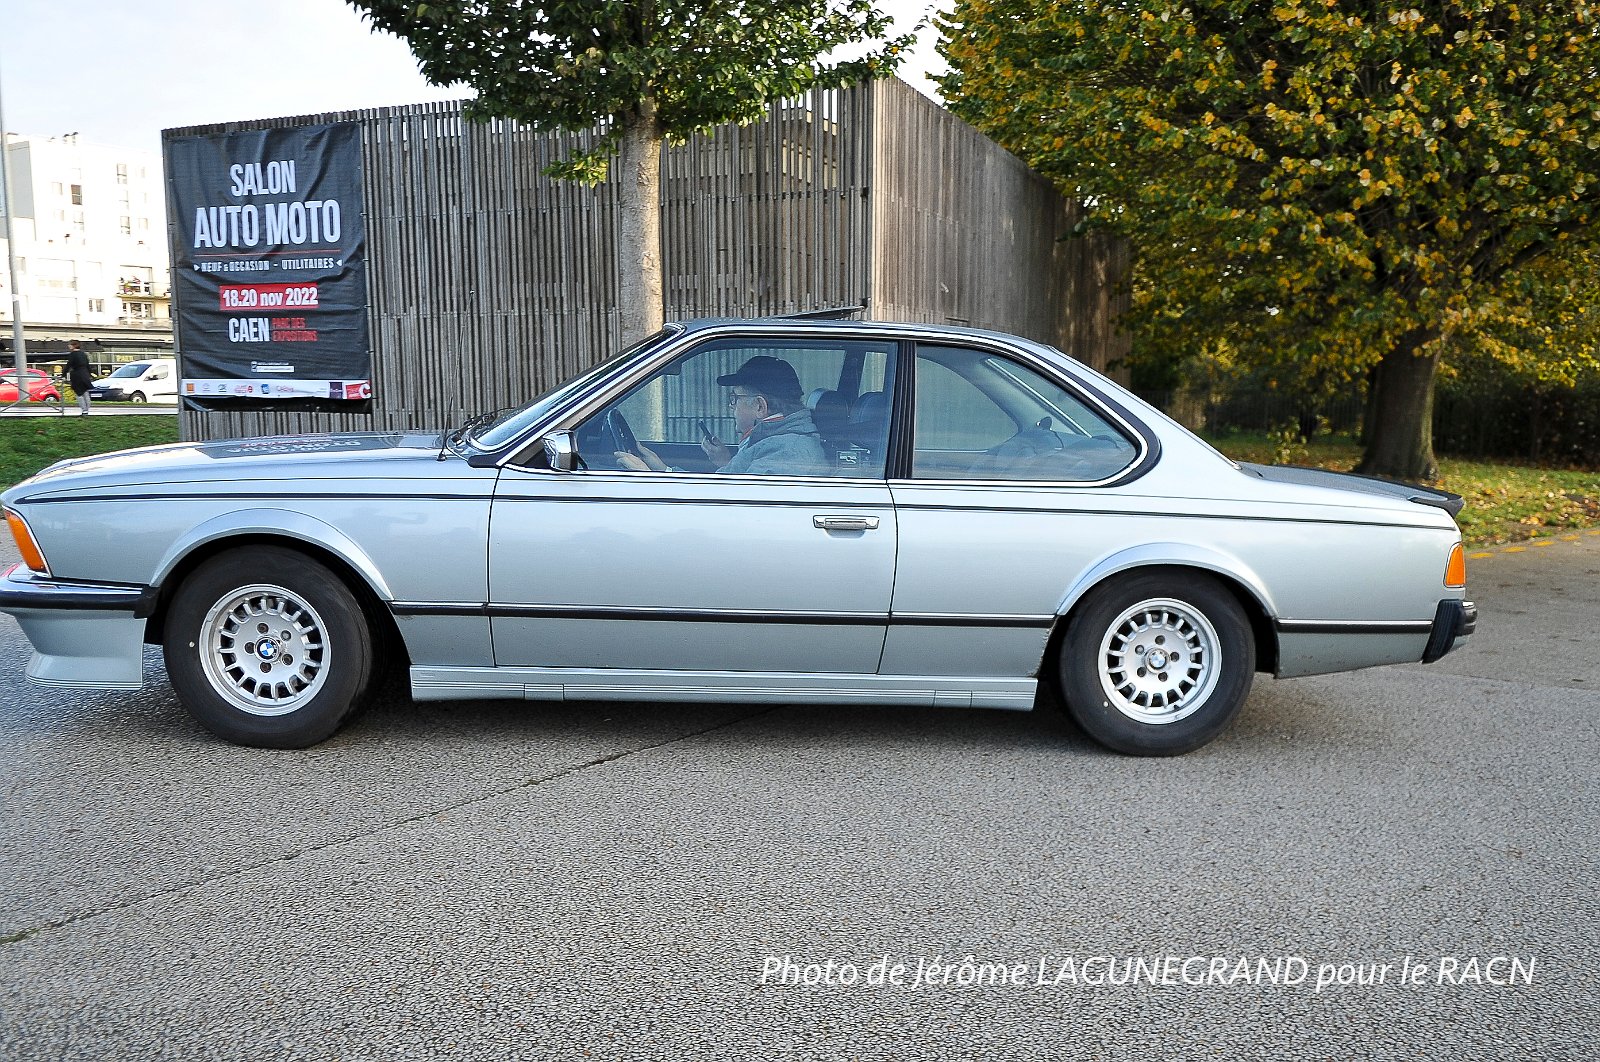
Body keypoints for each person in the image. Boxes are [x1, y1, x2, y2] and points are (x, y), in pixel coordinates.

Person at [616, 355, 830, 476]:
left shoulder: (785, 452)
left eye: (735, 398)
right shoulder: (776, 442)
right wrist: (664, 470)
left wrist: (647, 477)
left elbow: (725, 507)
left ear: (759, 407)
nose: (731, 406)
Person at [65, 340, 93, 414]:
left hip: (77, 376)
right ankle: (87, 409)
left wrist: (63, 374)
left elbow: (69, 365)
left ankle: (84, 410)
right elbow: (88, 365)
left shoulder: (73, 354)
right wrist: (90, 374)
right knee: (85, 393)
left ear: (74, 346)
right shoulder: (83, 354)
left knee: (79, 394)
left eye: (70, 345)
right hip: (85, 375)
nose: (69, 346)